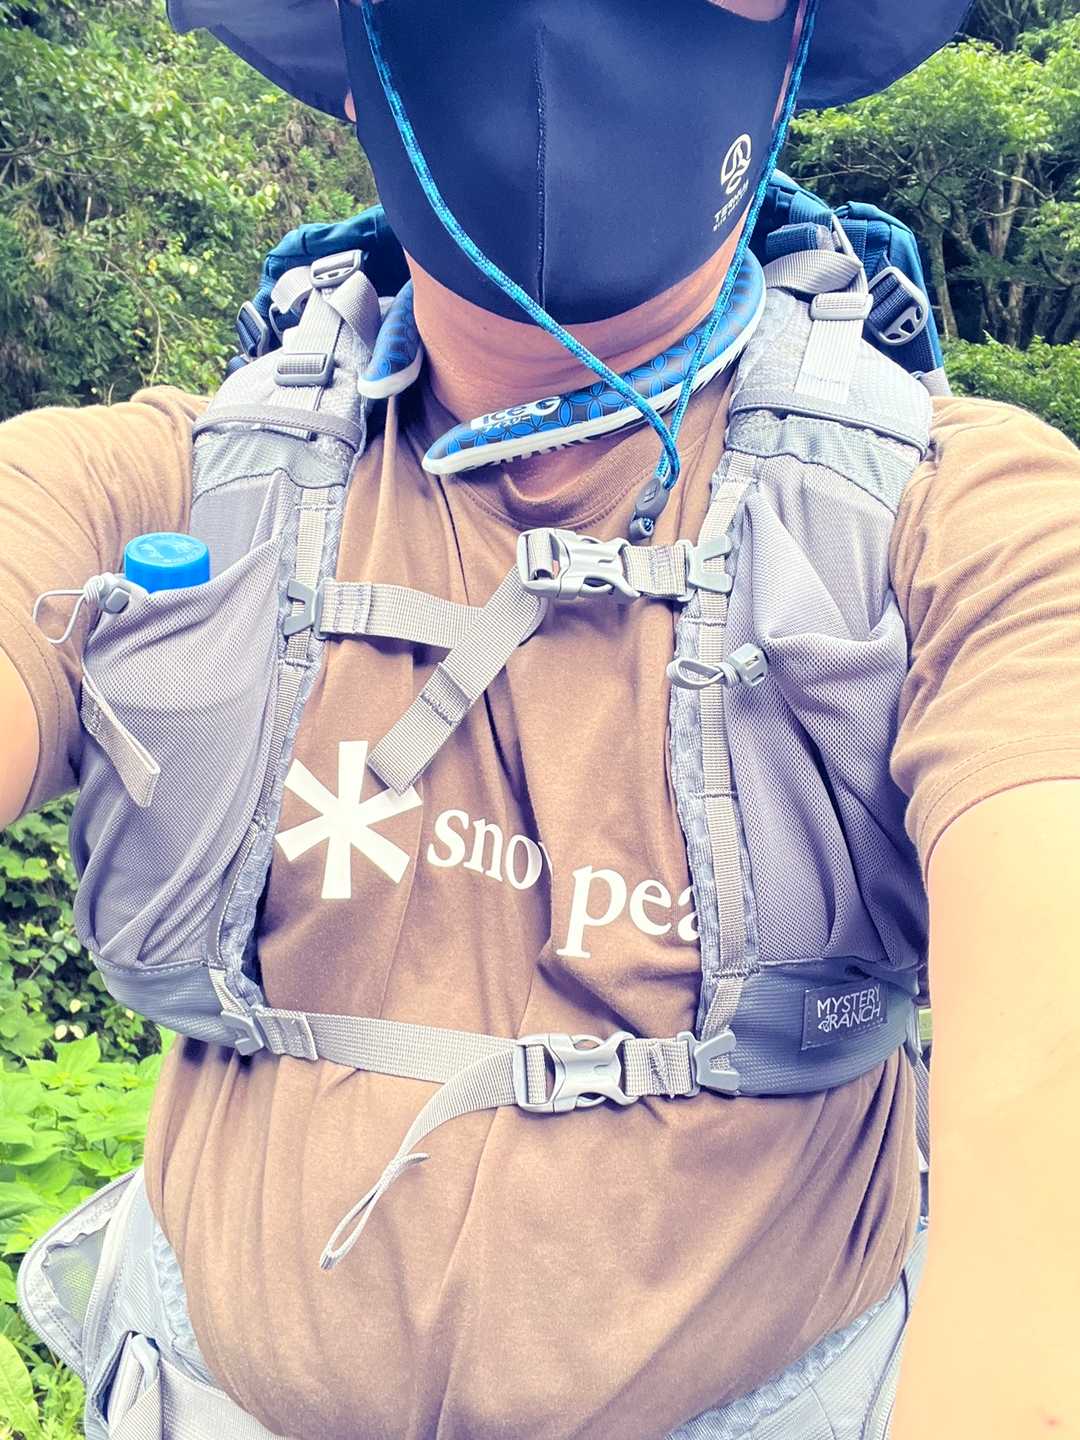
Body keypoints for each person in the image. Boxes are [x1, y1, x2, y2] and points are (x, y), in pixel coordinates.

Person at [3, 1, 1080, 1437]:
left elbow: (1047, 1109)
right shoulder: (176, 487)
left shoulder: (964, 528)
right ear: (353, 58)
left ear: (794, 41)